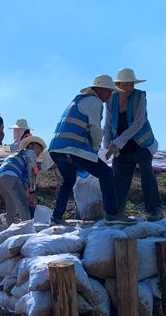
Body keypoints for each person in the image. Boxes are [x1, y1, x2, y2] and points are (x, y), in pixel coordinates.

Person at [48, 74, 122, 225]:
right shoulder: (95, 102)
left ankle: (56, 217)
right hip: (73, 148)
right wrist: (96, 148)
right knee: (106, 173)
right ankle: (112, 214)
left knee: (68, 181)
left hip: (56, 149)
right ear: (99, 89)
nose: (110, 95)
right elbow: (95, 128)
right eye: (109, 91)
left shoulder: (77, 100)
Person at [103, 68, 163, 221]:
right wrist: (107, 146)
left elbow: (138, 122)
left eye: (131, 84)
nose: (129, 88)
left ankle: (154, 210)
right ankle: (116, 212)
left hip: (141, 143)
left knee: (146, 172)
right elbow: (108, 124)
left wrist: (117, 143)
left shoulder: (140, 96)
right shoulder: (111, 100)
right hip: (122, 147)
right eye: (125, 84)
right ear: (117, 85)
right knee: (119, 178)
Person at [0, 136, 46, 226]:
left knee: (10, 205)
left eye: (40, 150)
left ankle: (10, 227)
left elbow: (23, 181)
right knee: (23, 205)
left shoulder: (18, 154)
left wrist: (28, 194)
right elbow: (31, 173)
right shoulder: (31, 153)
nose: (38, 152)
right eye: (38, 148)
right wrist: (32, 193)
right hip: (11, 177)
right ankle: (28, 229)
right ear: (31, 145)